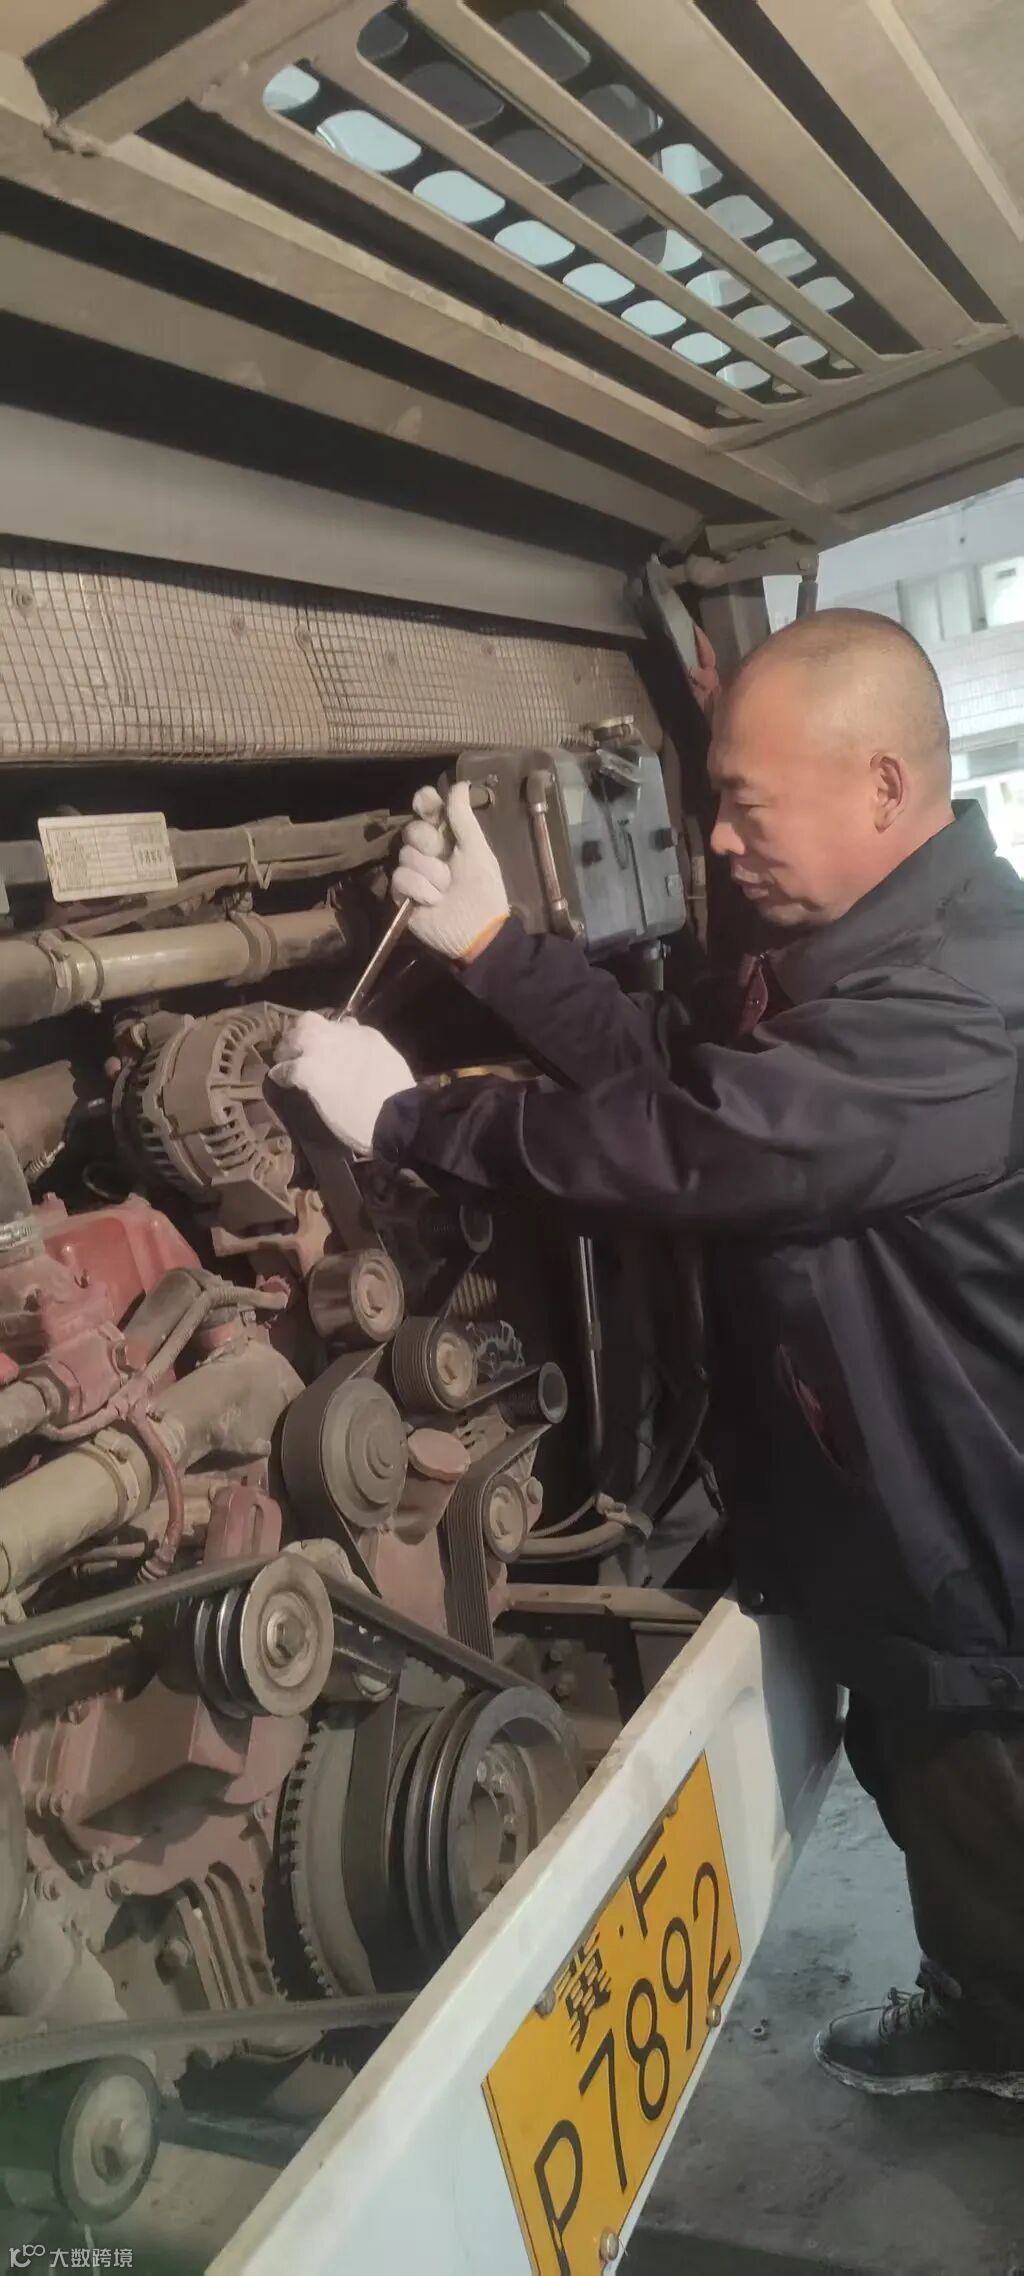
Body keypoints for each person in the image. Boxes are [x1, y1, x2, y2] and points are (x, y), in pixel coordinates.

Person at [273, 607, 1024, 2099]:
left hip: (968, 1550)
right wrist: (495, 950)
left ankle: (1003, 2029)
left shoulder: (962, 1003)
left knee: (977, 1787)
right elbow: (680, 1066)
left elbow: (699, 1146)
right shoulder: (870, 949)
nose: (719, 842)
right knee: (927, 1773)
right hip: (897, 1528)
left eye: (745, 805)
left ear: (883, 785)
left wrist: (411, 1119)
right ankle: (987, 2002)